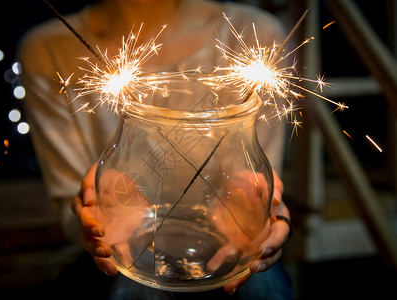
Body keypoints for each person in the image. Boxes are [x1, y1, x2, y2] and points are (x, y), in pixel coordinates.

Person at [18, 0, 293, 298]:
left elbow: (258, 186)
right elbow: (75, 216)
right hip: (117, 260)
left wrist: (262, 215)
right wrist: (95, 215)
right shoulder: (50, 49)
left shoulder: (257, 34)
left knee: (259, 287)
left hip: (229, 253)